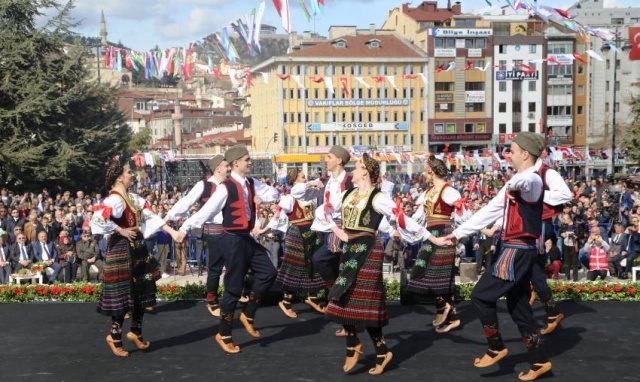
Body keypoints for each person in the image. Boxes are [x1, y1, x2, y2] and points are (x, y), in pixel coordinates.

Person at [316, 153, 451, 375]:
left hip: (369, 250)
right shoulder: (347, 194)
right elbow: (324, 210)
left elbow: (401, 218)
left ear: (365, 172)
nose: (352, 171)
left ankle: (381, 351)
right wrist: (338, 231)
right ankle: (353, 345)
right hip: (350, 249)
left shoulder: (378, 198)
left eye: (357, 167)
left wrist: (433, 238)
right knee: (341, 295)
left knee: (366, 302)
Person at [444, 132, 552, 381]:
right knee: (519, 308)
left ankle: (495, 346)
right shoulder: (516, 180)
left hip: (516, 251)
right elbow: (490, 210)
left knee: (481, 296)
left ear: (525, 154)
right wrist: (458, 233)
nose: (508, 154)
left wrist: (515, 184)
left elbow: (530, 186)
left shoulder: (531, 179)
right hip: (517, 250)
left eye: (512, 150)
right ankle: (539, 361)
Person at [178, 145, 279, 354]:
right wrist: (184, 227)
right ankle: (224, 334)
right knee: (233, 288)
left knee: (269, 272)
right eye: (246, 159)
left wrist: (263, 198)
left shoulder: (251, 183)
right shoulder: (225, 187)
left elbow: (274, 192)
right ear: (235, 163)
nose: (250, 162)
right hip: (231, 239)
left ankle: (248, 314)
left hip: (246, 238)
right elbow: (207, 211)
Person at [91, 160, 182, 358]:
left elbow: (151, 216)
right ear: (119, 177)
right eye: (129, 172)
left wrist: (172, 233)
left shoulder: (132, 198)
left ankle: (136, 331)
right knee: (122, 297)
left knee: (143, 291)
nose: (133, 175)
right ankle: (114, 337)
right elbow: (96, 220)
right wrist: (120, 229)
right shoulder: (114, 200)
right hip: (121, 249)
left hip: (137, 248)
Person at [165, 155, 230, 316]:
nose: (229, 168)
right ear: (217, 168)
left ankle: (234, 295)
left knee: (236, 264)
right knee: (214, 268)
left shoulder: (231, 184)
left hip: (231, 230)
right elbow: (186, 202)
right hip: (213, 230)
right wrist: (169, 216)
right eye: (226, 165)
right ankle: (212, 299)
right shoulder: (204, 185)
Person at [407, 155, 463, 333]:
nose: (424, 173)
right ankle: (448, 311)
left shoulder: (449, 191)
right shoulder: (427, 192)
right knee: (419, 272)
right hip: (431, 235)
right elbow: (419, 217)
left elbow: (464, 214)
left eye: (426, 170)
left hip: (445, 235)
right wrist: (402, 224)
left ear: (431, 171)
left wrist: (463, 233)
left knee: (438, 277)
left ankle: (446, 311)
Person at [528, 141, 573, 335]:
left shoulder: (547, 173)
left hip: (539, 224)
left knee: (532, 267)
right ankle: (547, 308)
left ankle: (549, 310)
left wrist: (538, 192)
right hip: (527, 224)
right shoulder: (525, 174)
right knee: (531, 268)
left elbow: (565, 194)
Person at [275, 168, 325, 318]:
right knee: (296, 267)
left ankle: (312, 296)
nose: (305, 179)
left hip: (311, 231)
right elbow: (297, 190)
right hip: (297, 234)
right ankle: (286, 301)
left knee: (314, 264)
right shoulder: (290, 198)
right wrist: (311, 183)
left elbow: (316, 192)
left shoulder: (308, 195)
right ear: (295, 180)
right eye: (303, 177)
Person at [311, 145, 353, 290]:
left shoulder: (349, 182)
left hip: (341, 227)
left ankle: (334, 291)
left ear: (339, 160)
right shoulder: (325, 181)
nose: (326, 160)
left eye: (329, 157)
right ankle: (335, 300)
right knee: (333, 265)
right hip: (325, 228)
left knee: (319, 259)